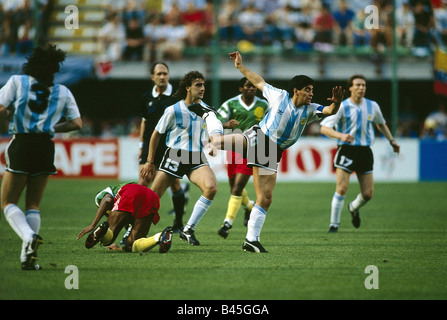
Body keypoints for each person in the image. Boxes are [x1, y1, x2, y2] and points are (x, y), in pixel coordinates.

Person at [196, 51, 345, 253]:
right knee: (263, 196)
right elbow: (258, 81)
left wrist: (336, 102)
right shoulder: (280, 95)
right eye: (307, 90)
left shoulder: (310, 110)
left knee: (262, 195)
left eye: (312, 90)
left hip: (268, 147)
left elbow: (329, 111)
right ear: (296, 90)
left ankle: (208, 115)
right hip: (262, 141)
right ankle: (251, 239)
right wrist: (240, 67)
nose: (311, 93)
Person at [0, 44, 83, 270]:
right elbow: (77, 123)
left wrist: (7, 118)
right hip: (46, 146)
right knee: (34, 204)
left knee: (7, 202)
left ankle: (28, 236)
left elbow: (0, 108)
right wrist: (52, 126)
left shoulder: (17, 82)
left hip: (22, 142)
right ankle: (28, 258)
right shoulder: (63, 92)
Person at [140, 71, 221, 246]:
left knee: (211, 188)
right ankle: (134, 233)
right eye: (198, 85)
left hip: (196, 157)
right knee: (153, 199)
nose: (202, 88)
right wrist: (150, 160)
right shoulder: (173, 110)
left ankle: (188, 229)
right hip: (176, 155)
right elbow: (156, 134)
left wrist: (213, 143)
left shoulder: (206, 110)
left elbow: (211, 129)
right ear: (188, 87)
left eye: (203, 85)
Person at [320, 74, 400, 233]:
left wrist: (392, 141)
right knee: (342, 188)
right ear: (350, 88)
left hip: (365, 151)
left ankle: (353, 207)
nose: (361, 88)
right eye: (357, 85)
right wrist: (341, 135)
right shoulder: (342, 106)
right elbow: (324, 128)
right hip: (347, 149)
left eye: (363, 85)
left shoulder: (372, 106)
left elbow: (381, 124)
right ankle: (334, 225)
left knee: (368, 194)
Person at [138, 61, 188, 234]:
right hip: (149, 146)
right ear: (152, 77)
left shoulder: (176, 97)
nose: (162, 77)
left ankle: (179, 223)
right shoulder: (146, 97)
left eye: (165, 73)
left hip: (169, 146)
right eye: (158, 74)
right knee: (143, 183)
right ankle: (136, 225)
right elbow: (144, 122)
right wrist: (140, 146)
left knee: (174, 184)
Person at [216, 77, 269, 239]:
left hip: (252, 150)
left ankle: (227, 224)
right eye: (248, 86)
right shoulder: (231, 104)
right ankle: (249, 206)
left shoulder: (264, 105)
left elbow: (272, 123)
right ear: (241, 89)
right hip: (233, 149)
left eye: (254, 86)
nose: (252, 88)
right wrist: (225, 126)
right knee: (234, 188)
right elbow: (215, 121)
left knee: (238, 187)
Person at [76, 182, 173, 253]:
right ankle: (160, 237)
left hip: (130, 192)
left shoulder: (102, 195)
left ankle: (102, 235)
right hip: (152, 196)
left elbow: (107, 200)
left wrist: (93, 225)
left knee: (110, 234)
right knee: (131, 245)